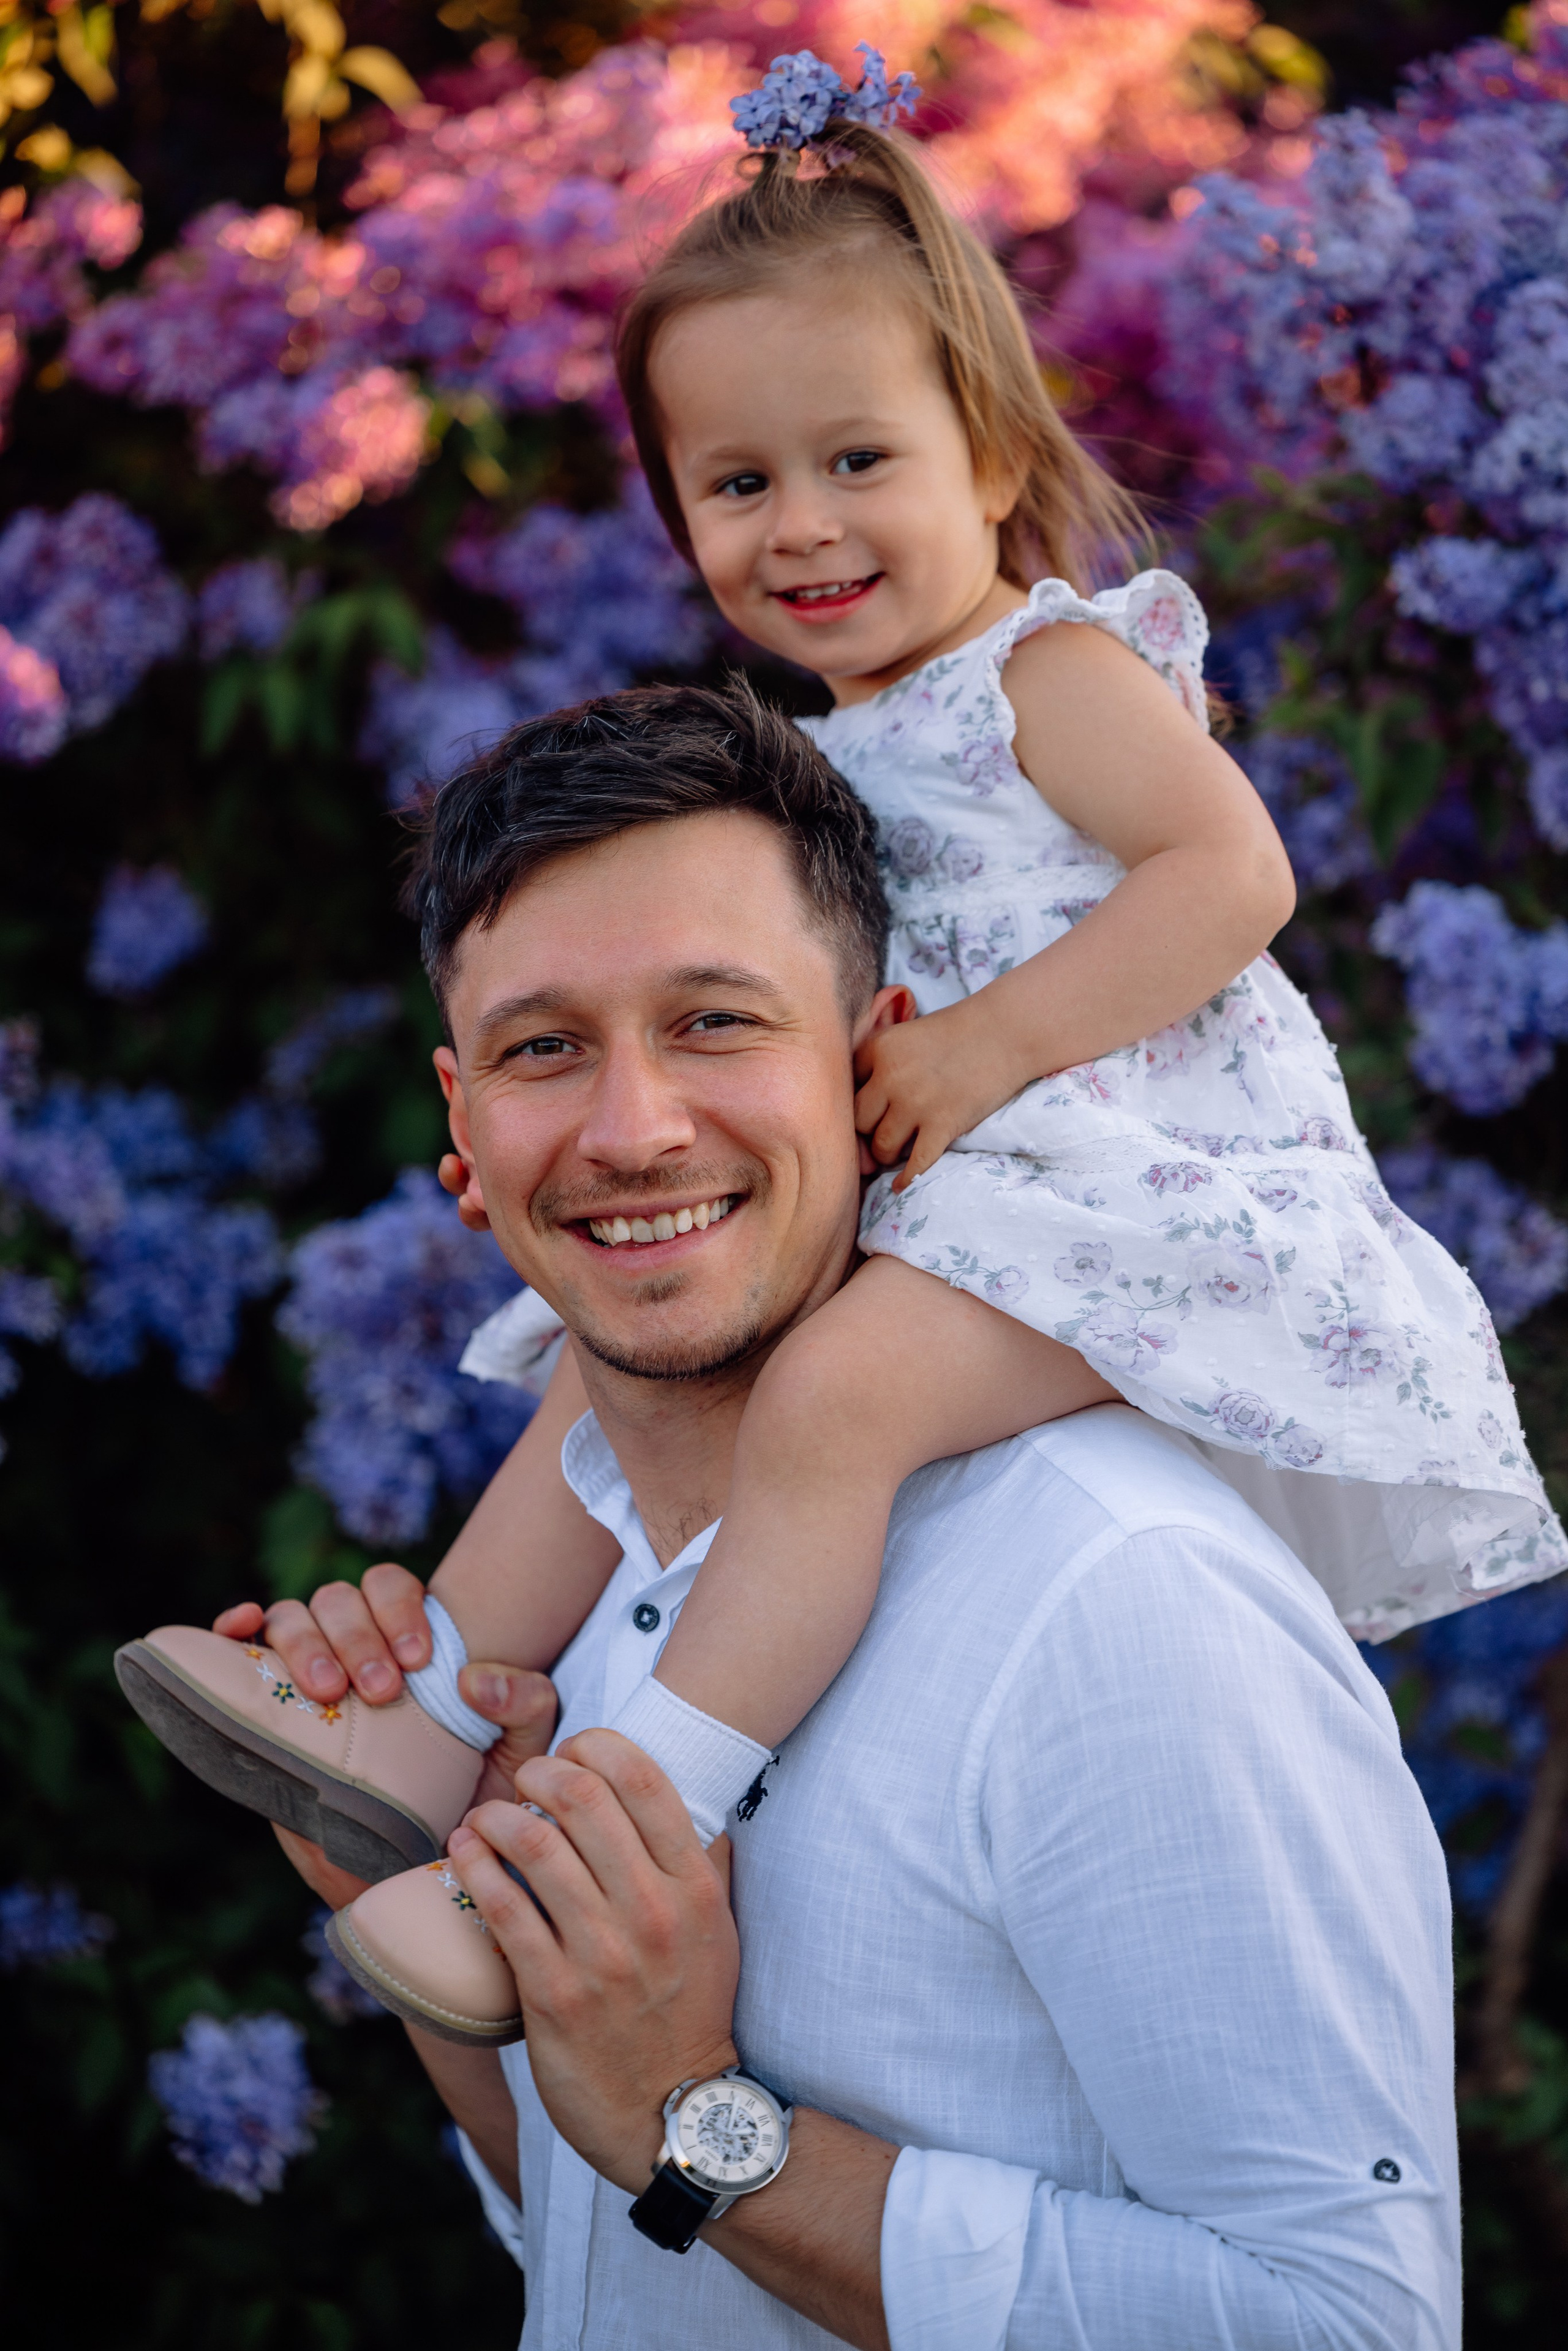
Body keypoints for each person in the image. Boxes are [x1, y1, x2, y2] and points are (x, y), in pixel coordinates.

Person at [116, 51, 1562, 2032]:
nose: (800, 526)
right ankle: (425, 1718)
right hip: (971, 1198)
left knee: (828, 1404)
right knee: (593, 1369)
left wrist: (980, 1050)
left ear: (985, 452)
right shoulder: (805, 755)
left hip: (1141, 1199)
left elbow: (1230, 875)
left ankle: (633, 1828)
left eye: (856, 460)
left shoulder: (1044, 667)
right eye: (737, 483)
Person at [205, 682, 1458, 2348]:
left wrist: (704, 2131)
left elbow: (1352, 2328)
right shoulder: (567, 1619)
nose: (634, 1130)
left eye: (717, 1023)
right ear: (462, 1123)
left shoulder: (1121, 1604)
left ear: (872, 1059)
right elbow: (603, 2246)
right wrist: (420, 1888)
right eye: (544, 1048)